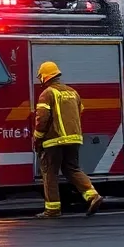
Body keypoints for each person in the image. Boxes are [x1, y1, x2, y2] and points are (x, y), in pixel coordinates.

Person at [33, 61, 104, 218]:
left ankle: (52, 209)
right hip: (74, 139)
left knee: (50, 173)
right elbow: (80, 111)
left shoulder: (47, 93)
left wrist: (37, 138)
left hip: (54, 141)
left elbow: (42, 119)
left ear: (45, 77)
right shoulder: (73, 92)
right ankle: (93, 196)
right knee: (72, 169)